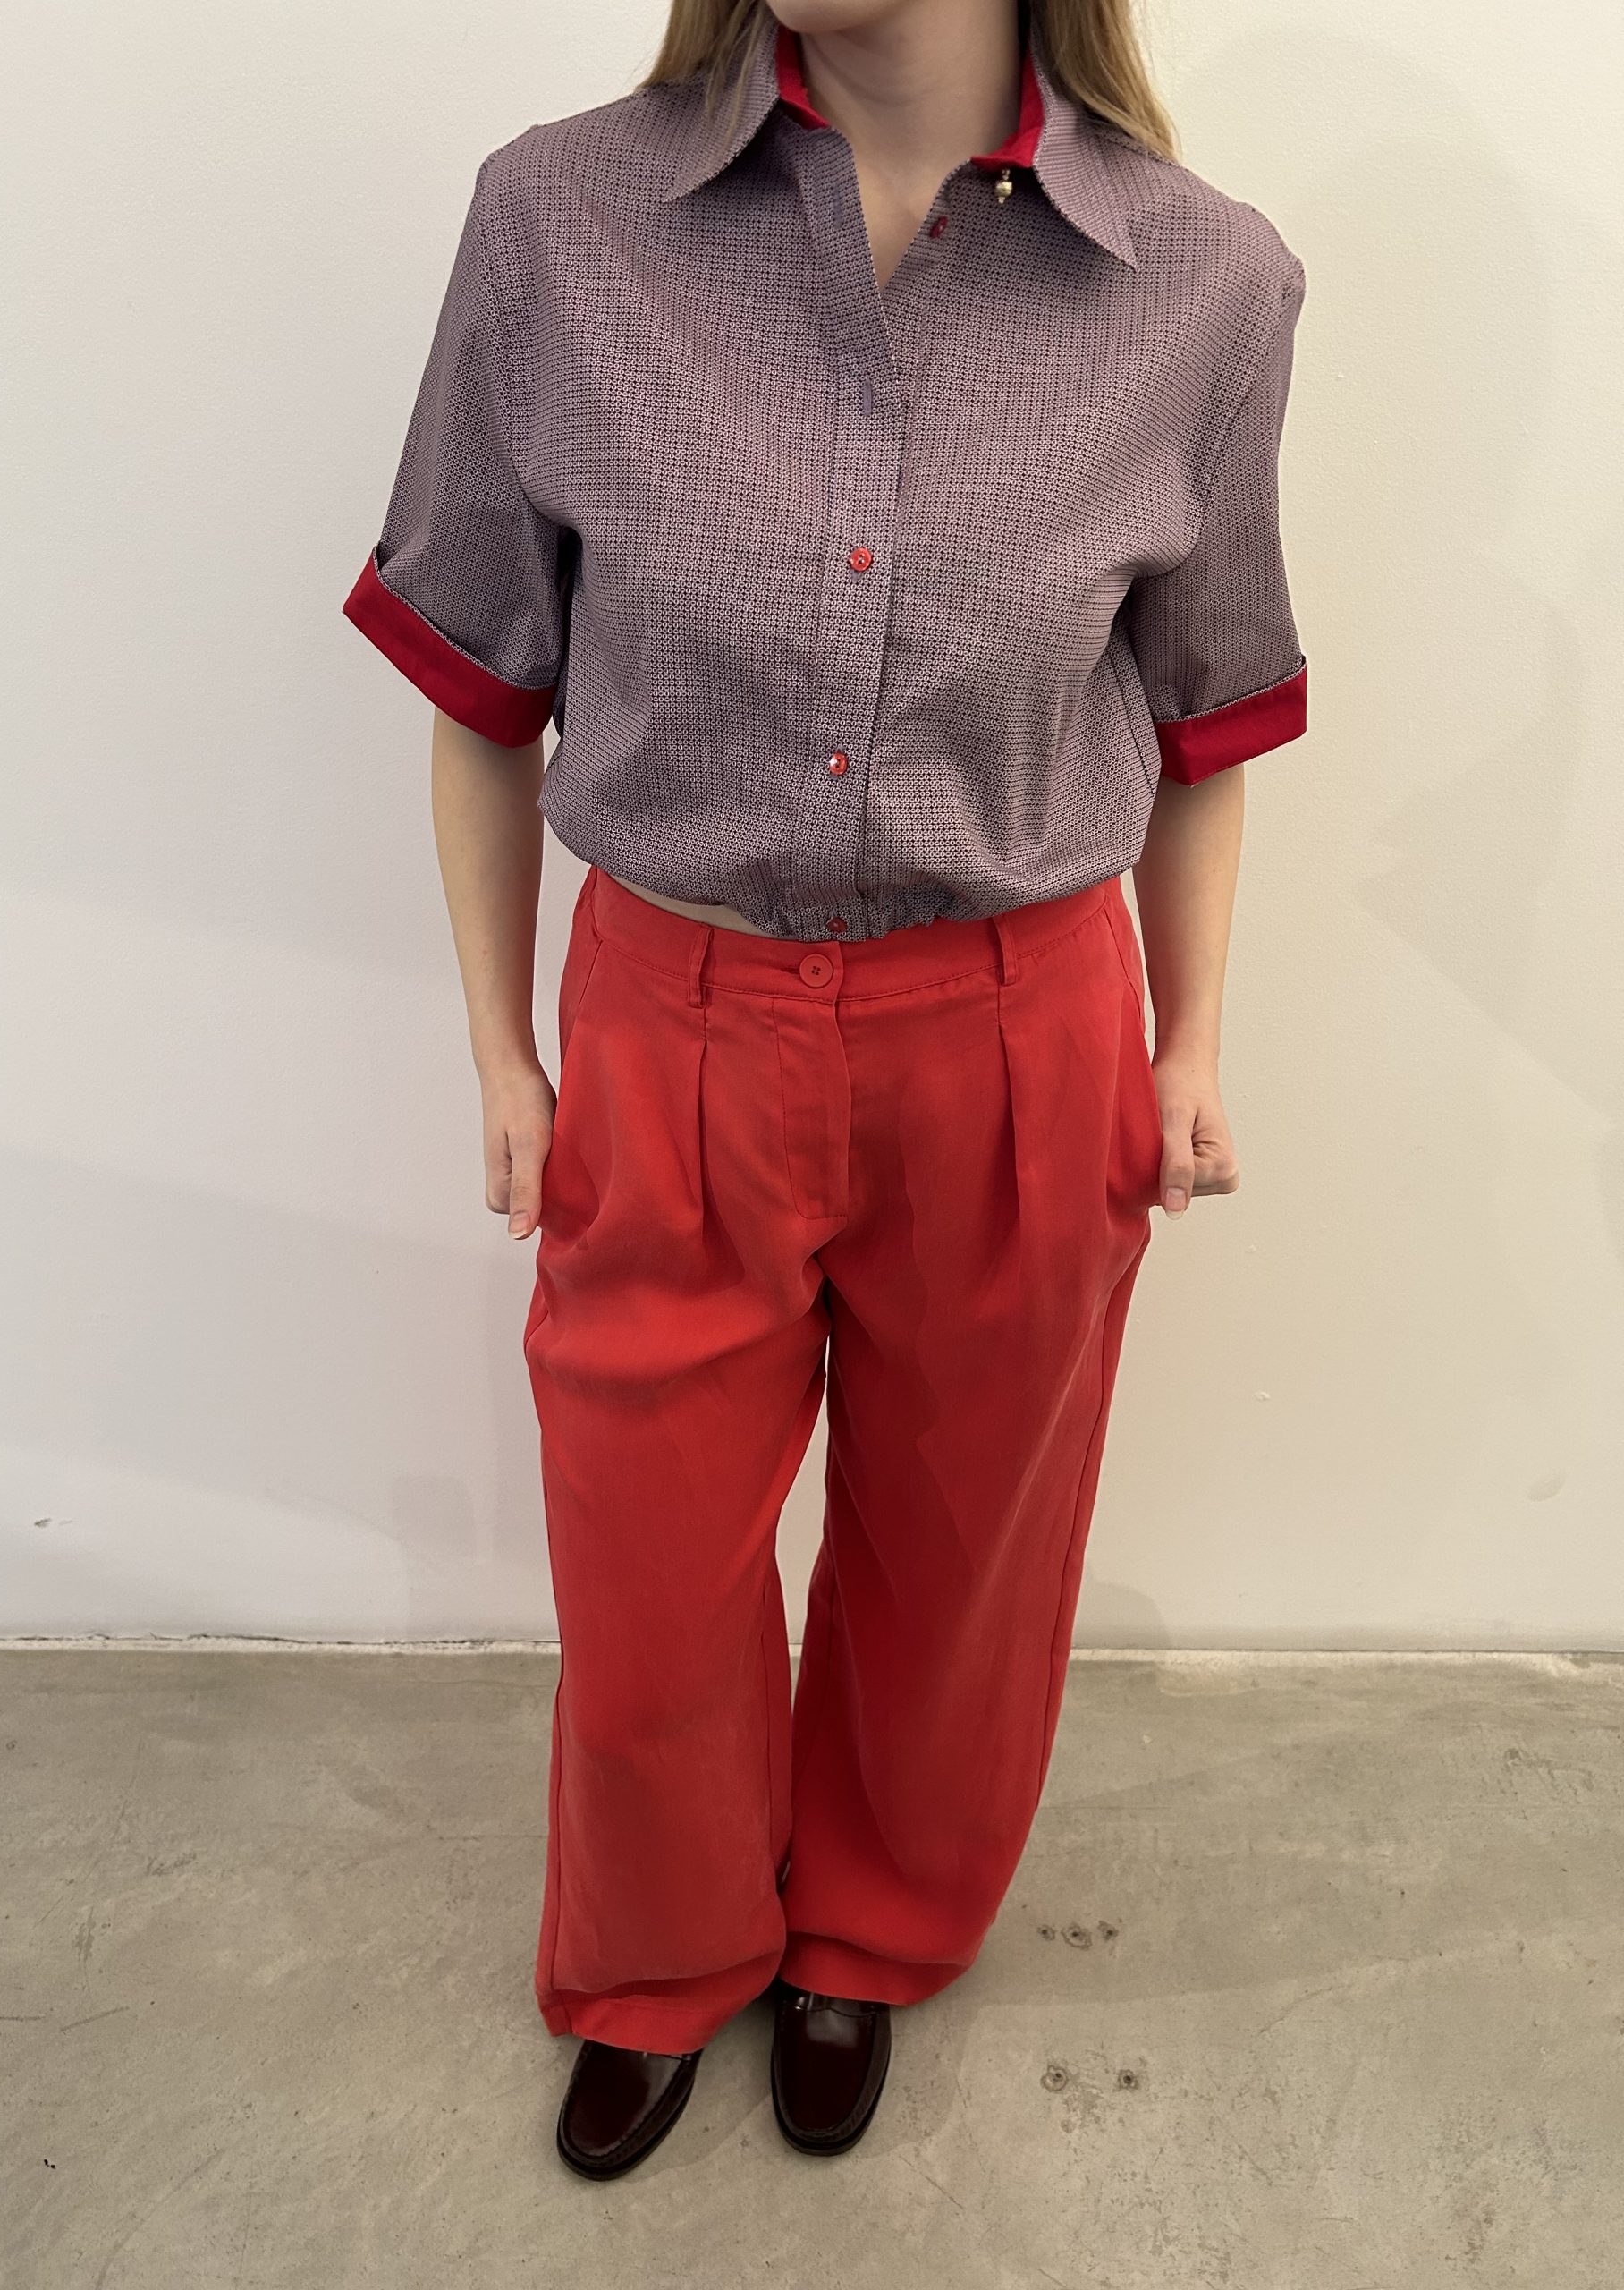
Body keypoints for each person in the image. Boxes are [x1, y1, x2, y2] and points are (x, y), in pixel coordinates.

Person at [343, 0, 1307, 2180]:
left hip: (1023, 1020)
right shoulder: (561, 223)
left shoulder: (1206, 284)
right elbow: (483, 685)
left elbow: (1205, 717)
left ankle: (867, 1928)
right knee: (650, 1556)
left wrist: (1188, 1042)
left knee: (965, 1542)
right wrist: (503, 1048)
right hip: (674, 1008)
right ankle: (658, 1951)